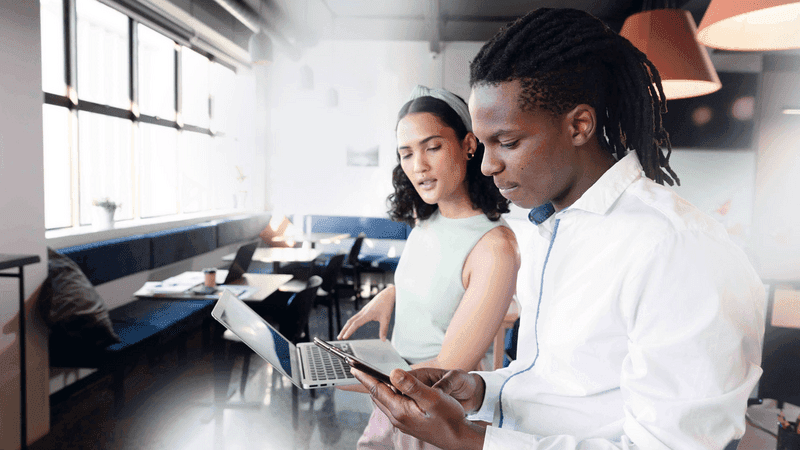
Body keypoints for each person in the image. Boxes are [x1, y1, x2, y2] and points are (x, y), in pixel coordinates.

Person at [351, 8, 765, 450]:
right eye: (484, 143)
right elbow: (553, 382)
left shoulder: (679, 251)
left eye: (507, 142)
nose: (488, 165)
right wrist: (481, 390)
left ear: (578, 126)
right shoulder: (549, 229)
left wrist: (467, 439)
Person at [337, 85, 520, 448]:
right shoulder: (428, 221)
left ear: (469, 145)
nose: (418, 166)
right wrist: (393, 293)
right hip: (395, 390)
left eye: (432, 147)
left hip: (436, 411)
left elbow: (446, 370)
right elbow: (436, 282)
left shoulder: (495, 247)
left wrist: (341, 375)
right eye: (406, 154)